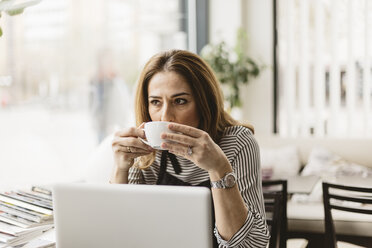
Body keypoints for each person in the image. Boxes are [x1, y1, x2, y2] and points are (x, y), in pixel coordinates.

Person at [111, 50, 269, 248]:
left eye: (180, 101)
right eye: (155, 102)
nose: (165, 117)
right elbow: (122, 234)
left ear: (204, 103)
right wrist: (120, 169)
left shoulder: (237, 142)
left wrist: (218, 168)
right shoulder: (147, 150)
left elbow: (254, 245)